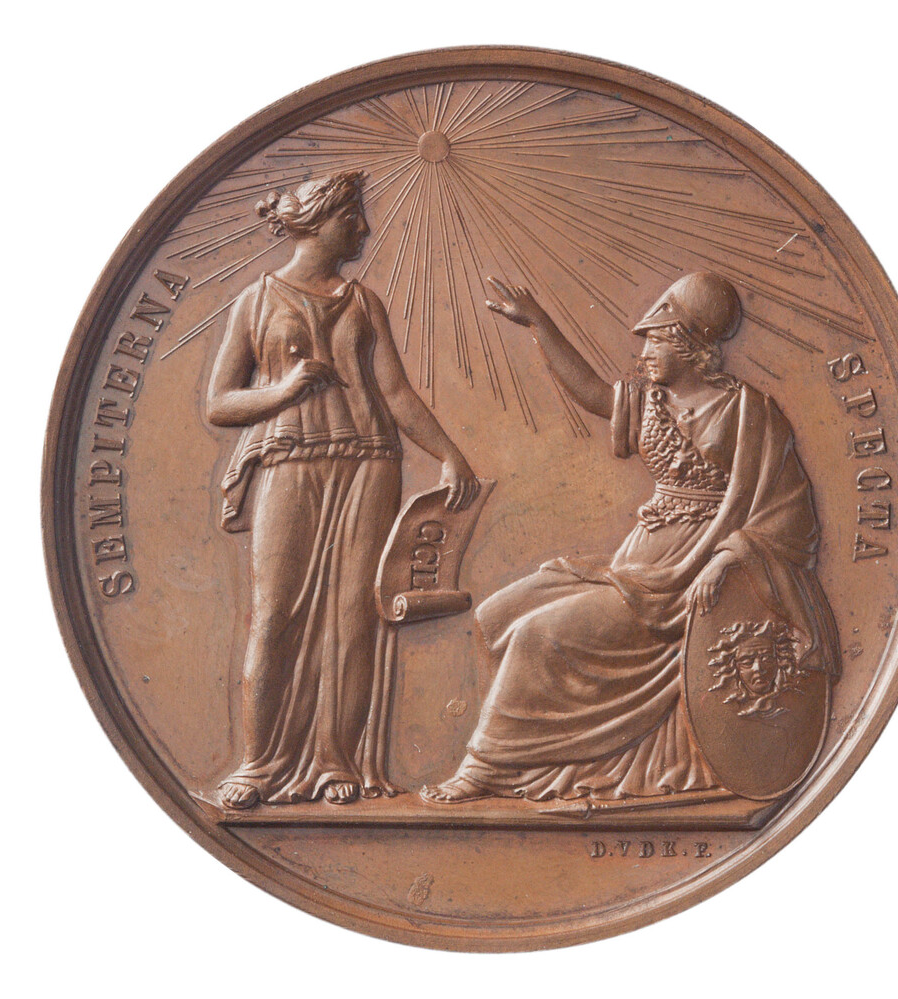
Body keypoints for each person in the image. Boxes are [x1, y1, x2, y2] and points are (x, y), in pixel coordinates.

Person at [422, 271, 839, 804]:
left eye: (656, 342)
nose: (644, 355)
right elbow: (591, 391)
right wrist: (539, 324)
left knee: (536, 635)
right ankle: (543, 753)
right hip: (638, 563)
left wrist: (725, 559)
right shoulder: (649, 401)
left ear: (690, 345)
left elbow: (790, 513)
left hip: (689, 572)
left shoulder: (748, 411)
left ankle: (484, 767)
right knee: (504, 611)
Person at [207, 171, 479, 809]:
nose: (363, 228)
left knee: (355, 618)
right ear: (316, 222)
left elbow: (396, 393)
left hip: (369, 463)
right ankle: (257, 764)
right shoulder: (256, 301)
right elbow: (219, 403)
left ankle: (335, 760)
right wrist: (282, 391)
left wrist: (449, 455)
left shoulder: (363, 302)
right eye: (351, 217)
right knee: (274, 614)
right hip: (290, 461)